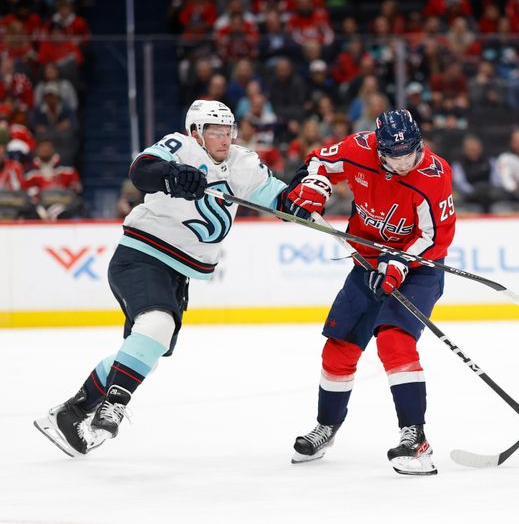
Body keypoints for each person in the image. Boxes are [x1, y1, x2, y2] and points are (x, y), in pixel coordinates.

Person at [34, 100, 288, 457]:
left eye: (228, 130)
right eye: (215, 131)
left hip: (177, 273)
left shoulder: (243, 163)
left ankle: (71, 412)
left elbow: (279, 197)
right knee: (156, 325)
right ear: (196, 132)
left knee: (147, 349)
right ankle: (114, 404)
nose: (224, 138)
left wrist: (302, 198)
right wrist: (171, 176)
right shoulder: (179, 147)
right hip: (141, 256)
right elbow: (141, 170)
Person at [283, 109, 456, 476]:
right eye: (395, 155)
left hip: (417, 269)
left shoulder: (434, 175)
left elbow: (436, 238)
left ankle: (416, 438)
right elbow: (318, 162)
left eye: (410, 151)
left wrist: (399, 264)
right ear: (379, 150)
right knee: (339, 346)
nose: (405, 161)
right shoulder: (358, 148)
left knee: (394, 342)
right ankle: (326, 428)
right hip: (366, 263)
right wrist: (315, 186)